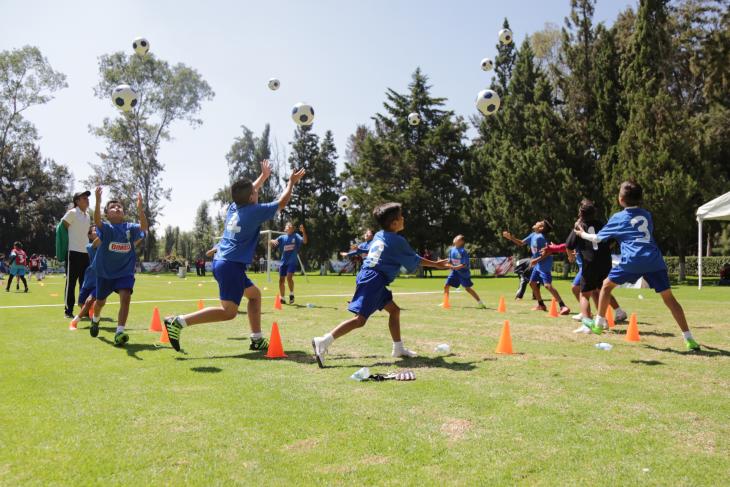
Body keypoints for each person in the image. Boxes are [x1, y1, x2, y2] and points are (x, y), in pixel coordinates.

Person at [163, 161, 305, 353]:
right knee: (228, 312)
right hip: (230, 265)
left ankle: (256, 339)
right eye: (255, 192)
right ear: (251, 198)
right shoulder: (254, 211)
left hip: (226, 263)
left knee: (254, 296)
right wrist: (291, 182)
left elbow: (247, 192)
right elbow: (282, 202)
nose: (258, 192)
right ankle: (178, 322)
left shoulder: (234, 207)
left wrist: (263, 177)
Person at [311, 202, 451, 368]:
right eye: (400, 217)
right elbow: (415, 260)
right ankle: (323, 341)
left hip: (369, 277)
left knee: (394, 310)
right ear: (393, 223)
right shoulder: (397, 240)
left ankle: (398, 348)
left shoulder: (380, 234)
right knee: (360, 320)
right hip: (374, 279)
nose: (403, 218)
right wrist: (437, 264)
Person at [575, 181, 700, 351]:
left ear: (620, 199)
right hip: (654, 260)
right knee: (670, 299)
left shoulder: (618, 217)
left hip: (633, 259)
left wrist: (581, 233)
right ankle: (689, 338)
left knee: (605, 286)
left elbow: (597, 238)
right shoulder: (647, 214)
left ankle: (598, 323)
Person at [89, 188, 148, 346]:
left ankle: (119, 332)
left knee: (126, 297)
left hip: (125, 272)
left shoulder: (130, 227)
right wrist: (98, 202)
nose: (117, 208)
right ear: (107, 214)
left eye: (119, 207)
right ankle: (95, 319)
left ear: (123, 213)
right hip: (105, 273)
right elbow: (97, 221)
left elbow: (143, 227)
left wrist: (140, 208)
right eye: (112, 207)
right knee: (100, 302)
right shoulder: (106, 228)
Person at [562, 199, 629, 333]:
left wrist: (571, 256)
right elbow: (612, 240)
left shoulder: (580, 226)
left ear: (580, 214)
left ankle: (587, 325)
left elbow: (568, 244)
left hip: (590, 262)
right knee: (602, 290)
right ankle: (602, 320)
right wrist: (603, 250)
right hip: (605, 262)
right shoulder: (602, 224)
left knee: (585, 294)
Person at [502, 220, 570, 315]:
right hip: (538, 264)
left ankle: (563, 306)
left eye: (540, 222)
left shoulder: (541, 238)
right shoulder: (533, 235)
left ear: (541, 228)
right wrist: (510, 237)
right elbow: (521, 243)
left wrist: (536, 260)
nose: (537, 222)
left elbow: (549, 252)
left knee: (547, 285)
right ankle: (541, 305)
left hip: (544, 264)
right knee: (532, 283)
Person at [61, 191, 92, 319]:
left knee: (84, 283)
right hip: (73, 252)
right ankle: (68, 310)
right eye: (84, 198)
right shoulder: (72, 212)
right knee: (71, 282)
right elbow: (63, 226)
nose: (87, 200)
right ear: (77, 201)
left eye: (87, 198)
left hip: (85, 253)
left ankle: (83, 310)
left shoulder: (88, 215)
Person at [70, 226, 100, 330]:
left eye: (98, 230)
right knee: (81, 302)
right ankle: (91, 311)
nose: (97, 231)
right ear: (89, 235)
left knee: (89, 301)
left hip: (100, 281)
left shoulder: (106, 247)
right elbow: (97, 242)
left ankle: (74, 322)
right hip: (88, 280)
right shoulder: (90, 246)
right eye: (95, 231)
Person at [270, 222, 308, 304]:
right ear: (285, 228)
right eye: (288, 225)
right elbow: (271, 244)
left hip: (292, 261)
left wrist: (303, 231)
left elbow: (305, 241)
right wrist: (271, 241)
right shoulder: (282, 237)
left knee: (289, 277)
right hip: (283, 262)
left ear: (293, 229)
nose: (289, 226)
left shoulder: (296, 236)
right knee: (281, 280)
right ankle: (282, 298)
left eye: (290, 225)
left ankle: (291, 294)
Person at [444, 235, 486, 308]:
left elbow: (464, 264)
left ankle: (480, 303)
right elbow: (449, 261)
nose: (455, 238)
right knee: (446, 286)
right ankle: (446, 302)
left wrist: (454, 267)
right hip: (455, 272)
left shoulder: (463, 251)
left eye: (457, 238)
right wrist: (447, 264)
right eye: (455, 237)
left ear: (461, 242)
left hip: (463, 273)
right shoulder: (452, 250)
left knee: (467, 288)